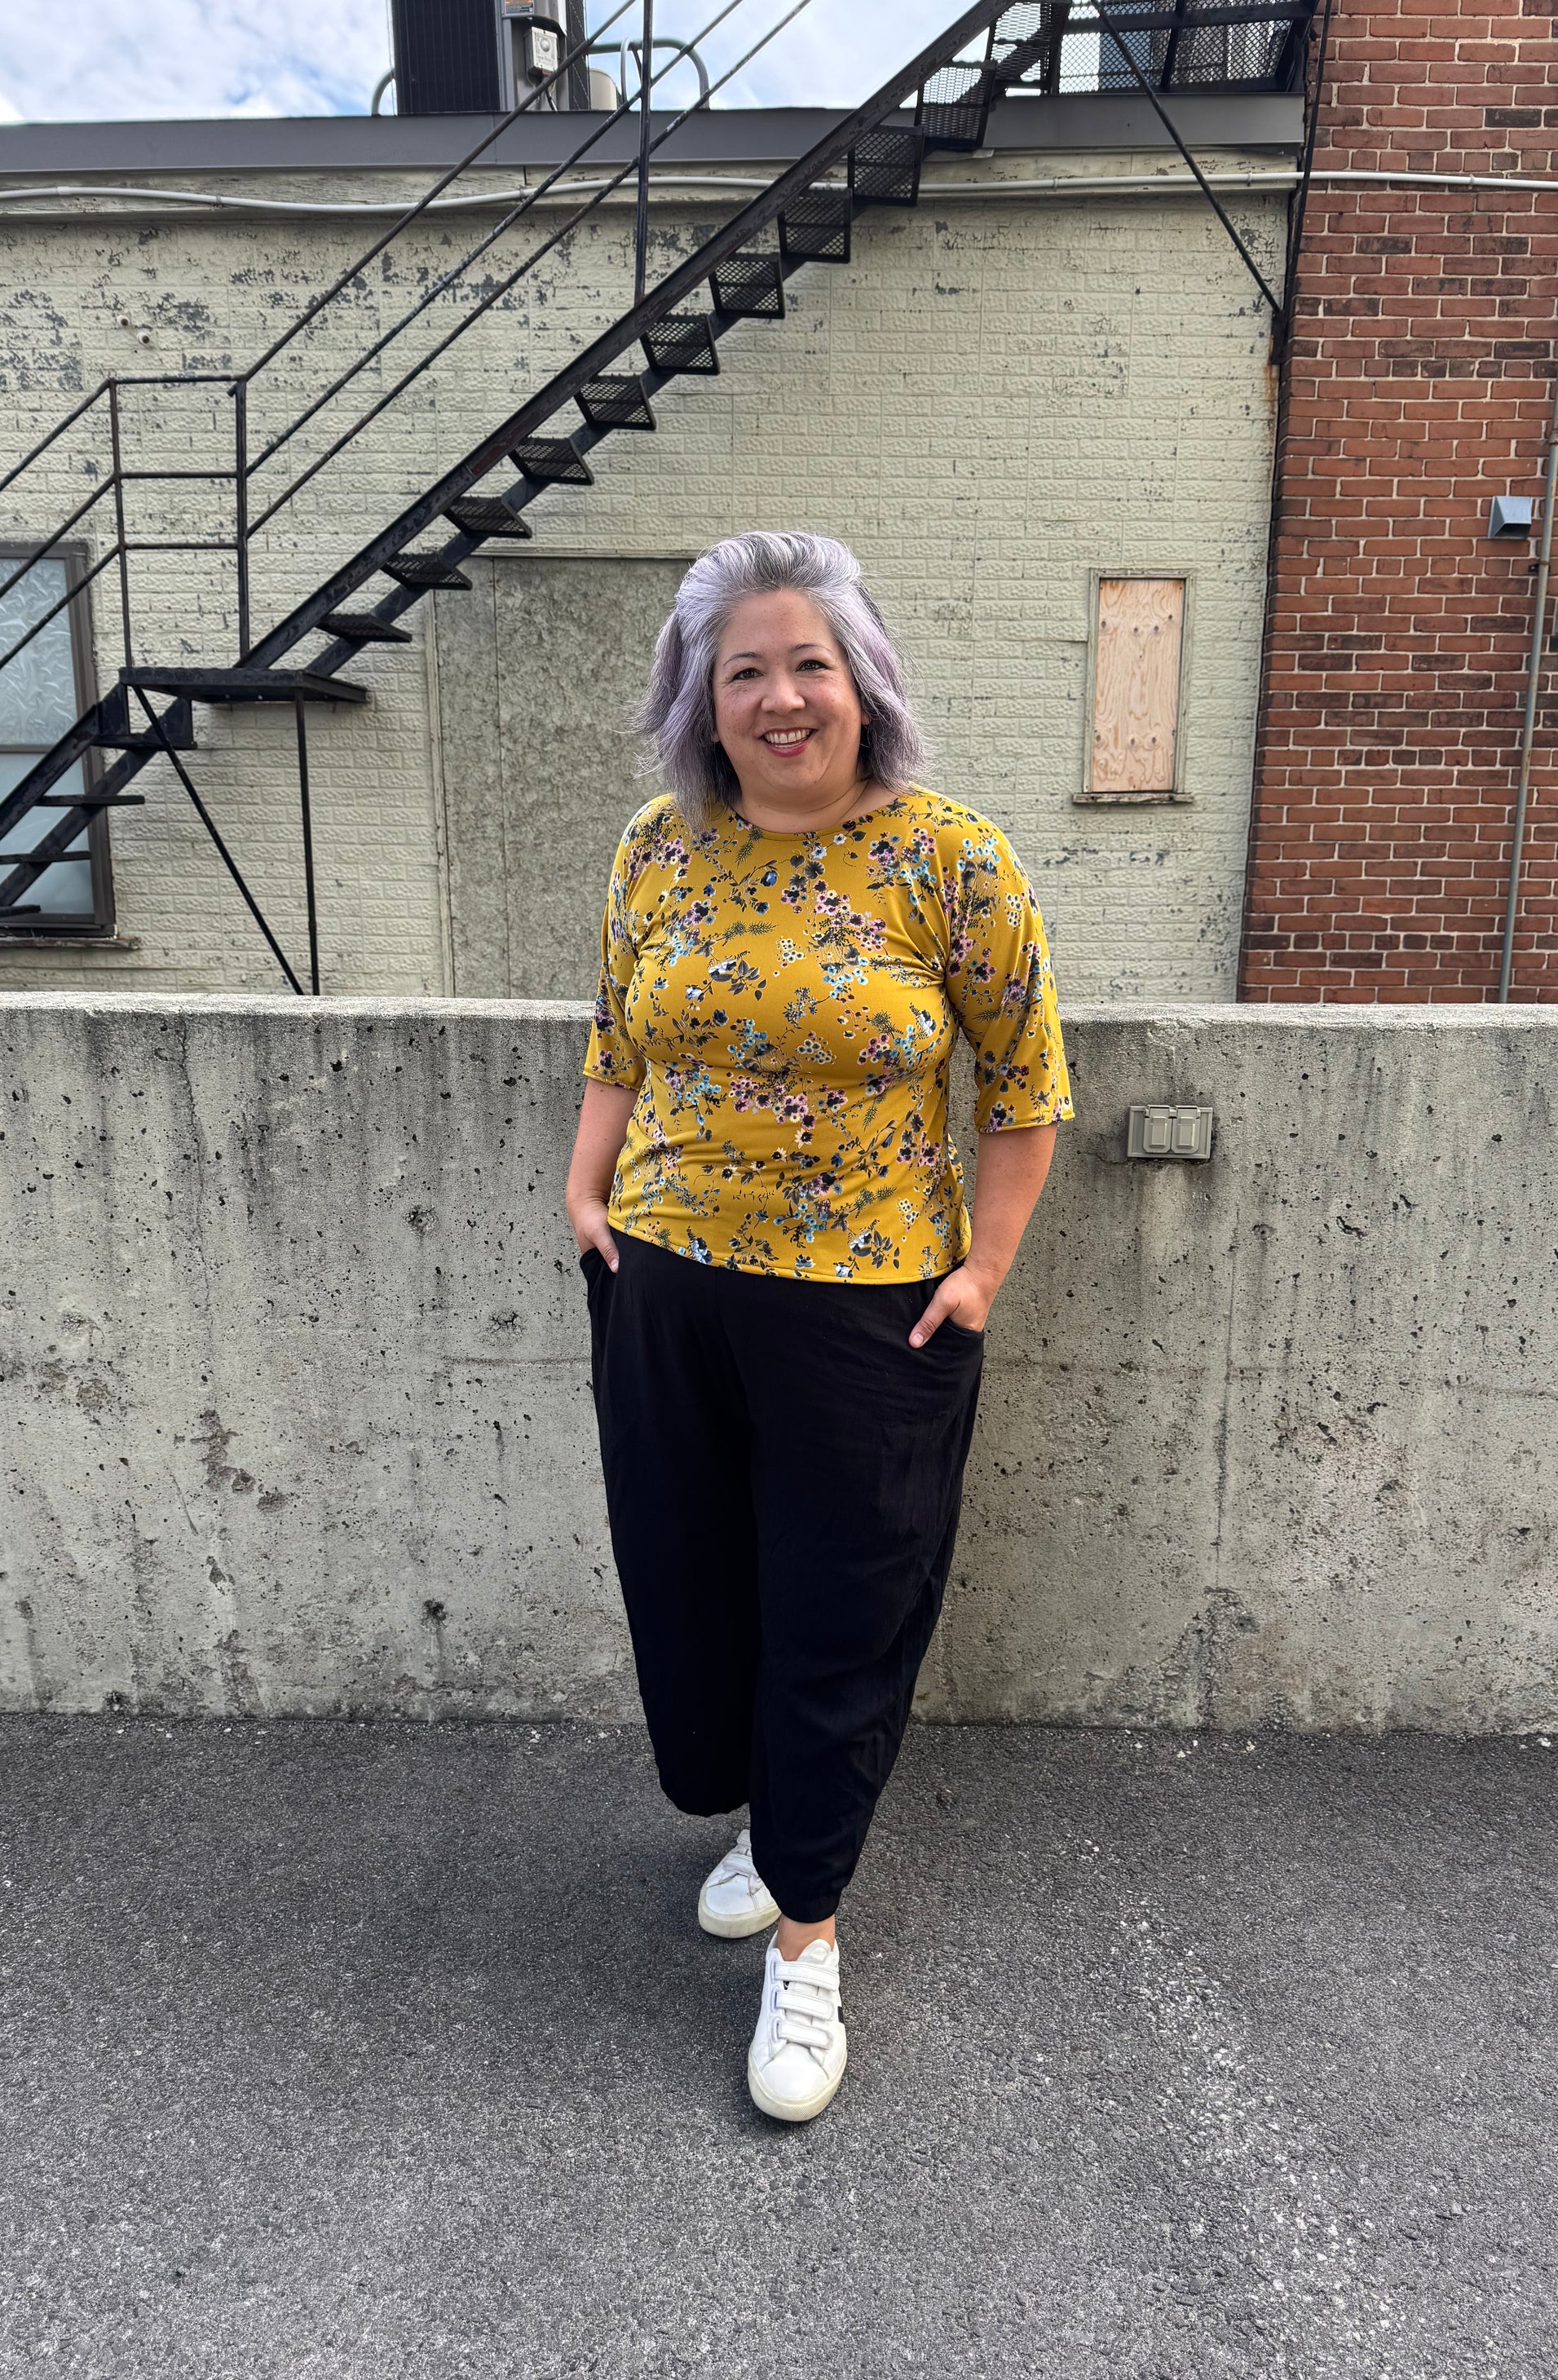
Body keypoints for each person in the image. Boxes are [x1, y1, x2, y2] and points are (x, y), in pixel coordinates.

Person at [564, 531, 1072, 2122]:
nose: (780, 697)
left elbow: (1026, 1084)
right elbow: (615, 1035)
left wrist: (982, 1271)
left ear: (862, 683)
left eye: (808, 663)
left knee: (840, 1609)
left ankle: (807, 1932)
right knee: (696, 1584)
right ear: (701, 703)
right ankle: (768, 1827)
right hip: (665, 1283)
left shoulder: (948, 857)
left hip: (867, 1312)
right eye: (744, 672)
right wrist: (584, 1190)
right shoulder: (658, 847)